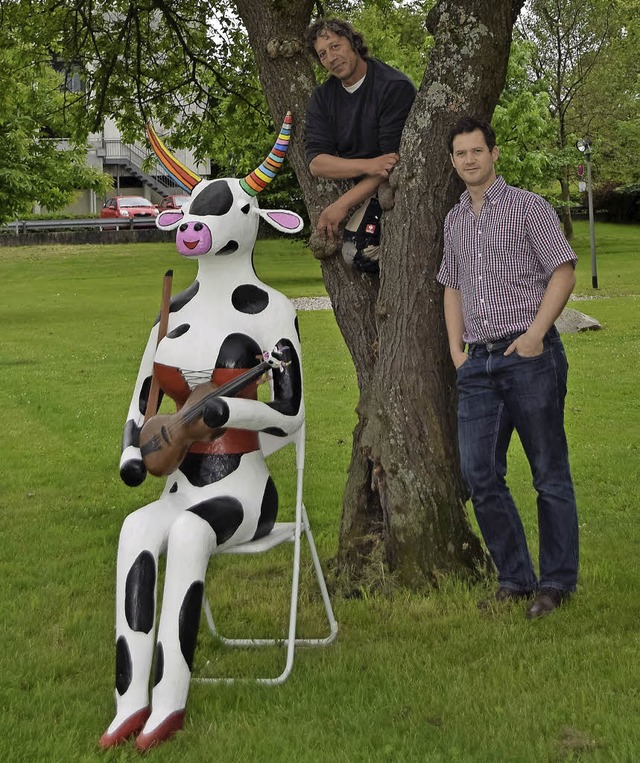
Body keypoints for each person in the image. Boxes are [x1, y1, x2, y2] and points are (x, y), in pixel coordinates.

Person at [437, 116, 579, 619]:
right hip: (477, 363)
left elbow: (562, 270)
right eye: (461, 154)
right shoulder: (455, 219)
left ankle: (556, 584)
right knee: (480, 474)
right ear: (453, 161)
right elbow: (451, 285)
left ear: (494, 154)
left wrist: (536, 334)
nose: (469, 160)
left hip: (530, 358)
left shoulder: (527, 207)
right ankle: (515, 579)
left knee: (549, 473)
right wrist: (457, 352)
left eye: (477, 151)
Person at [304, 17, 416, 273]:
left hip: (393, 183)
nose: (331, 58)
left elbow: (391, 164)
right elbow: (316, 163)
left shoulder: (393, 87)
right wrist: (369, 164)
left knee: (356, 253)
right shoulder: (322, 98)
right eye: (322, 54)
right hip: (366, 176)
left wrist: (341, 205)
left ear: (353, 43)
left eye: (335, 46)